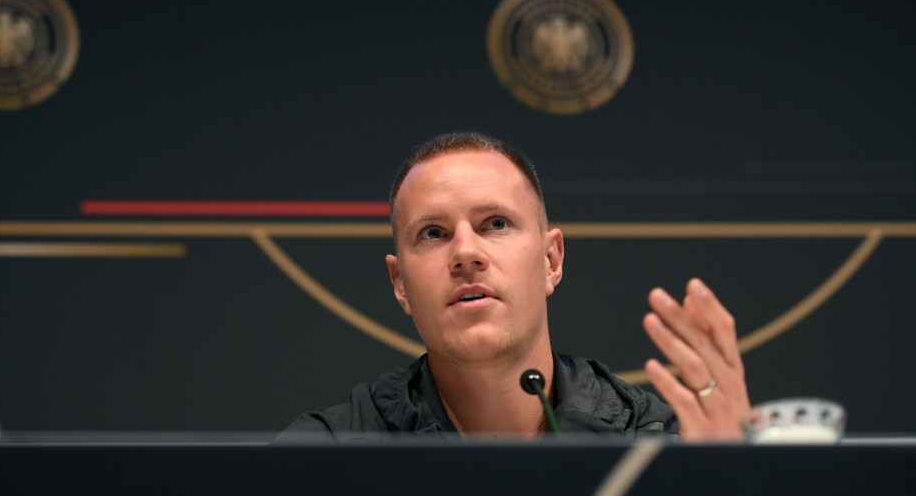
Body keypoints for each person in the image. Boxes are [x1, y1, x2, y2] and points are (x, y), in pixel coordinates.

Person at [282, 132, 751, 440]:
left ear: (551, 261)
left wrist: (732, 495)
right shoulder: (327, 455)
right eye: (433, 234)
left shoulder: (663, 443)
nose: (466, 252)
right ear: (400, 283)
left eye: (496, 224)